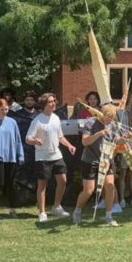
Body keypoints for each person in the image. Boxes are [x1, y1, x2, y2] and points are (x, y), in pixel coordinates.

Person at [26, 92, 76, 223]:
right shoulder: (37, 120)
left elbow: (60, 136)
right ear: (44, 104)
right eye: (50, 101)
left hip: (56, 155)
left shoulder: (56, 118)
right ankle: (42, 213)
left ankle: (56, 207)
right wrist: (35, 141)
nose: (53, 103)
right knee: (42, 186)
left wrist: (69, 145)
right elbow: (27, 139)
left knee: (63, 180)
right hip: (42, 157)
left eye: (54, 101)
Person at [72, 104, 125, 227]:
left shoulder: (113, 125)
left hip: (105, 160)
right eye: (107, 117)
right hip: (90, 160)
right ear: (101, 114)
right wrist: (99, 133)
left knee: (110, 186)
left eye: (111, 118)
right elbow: (85, 141)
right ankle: (77, 211)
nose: (109, 120)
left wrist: (125, 138)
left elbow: (117, 140)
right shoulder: (90, 122)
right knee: (88, 190)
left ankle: (109, 216)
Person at [9, 90, 38, 192]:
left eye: (31, 100)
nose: (29, 102)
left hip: (37, 147)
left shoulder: (39, 114)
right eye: (27, 100)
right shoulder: (17, 115)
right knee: (21, 171)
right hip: (22, 148)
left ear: (35, 101)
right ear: (24, 101)